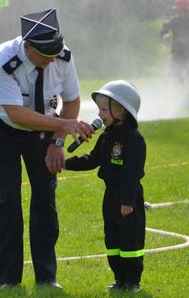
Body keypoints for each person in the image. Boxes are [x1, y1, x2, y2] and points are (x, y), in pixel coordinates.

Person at [0, 9, 95, 289]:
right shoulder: (3, 59)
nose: (52, 60)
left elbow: (71, 100)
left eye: (55, 53)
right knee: (7, 199)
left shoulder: (62, 56)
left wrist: (57, 142)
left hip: (44, 132)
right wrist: (65, 124)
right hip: (3, 130)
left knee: (45, 198)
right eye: (46, 55)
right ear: (27, 47)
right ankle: (9, 280)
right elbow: (16, 114)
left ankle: (47, 277)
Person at [65, 80, 147, 293]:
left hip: (127, 197)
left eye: (104, 109)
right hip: (110, 195)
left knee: (130, 239)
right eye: (99, 109)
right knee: (112, 237)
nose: (100, 114)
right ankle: (120, 279)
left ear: (120, 111)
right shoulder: (107, 136)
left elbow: (133, 172)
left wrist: (127, 200)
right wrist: (65, 163)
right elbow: (92, 160)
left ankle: (132, 282)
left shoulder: (133, 139)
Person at [160, 0, 189, 105]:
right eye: (178, 10)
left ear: (188, 10)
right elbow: (164, 30)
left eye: (182, 11)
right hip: (178, 52)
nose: (180, 13)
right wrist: (165, 35)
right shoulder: (173, 21)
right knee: (174, 74)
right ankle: (180, 95)